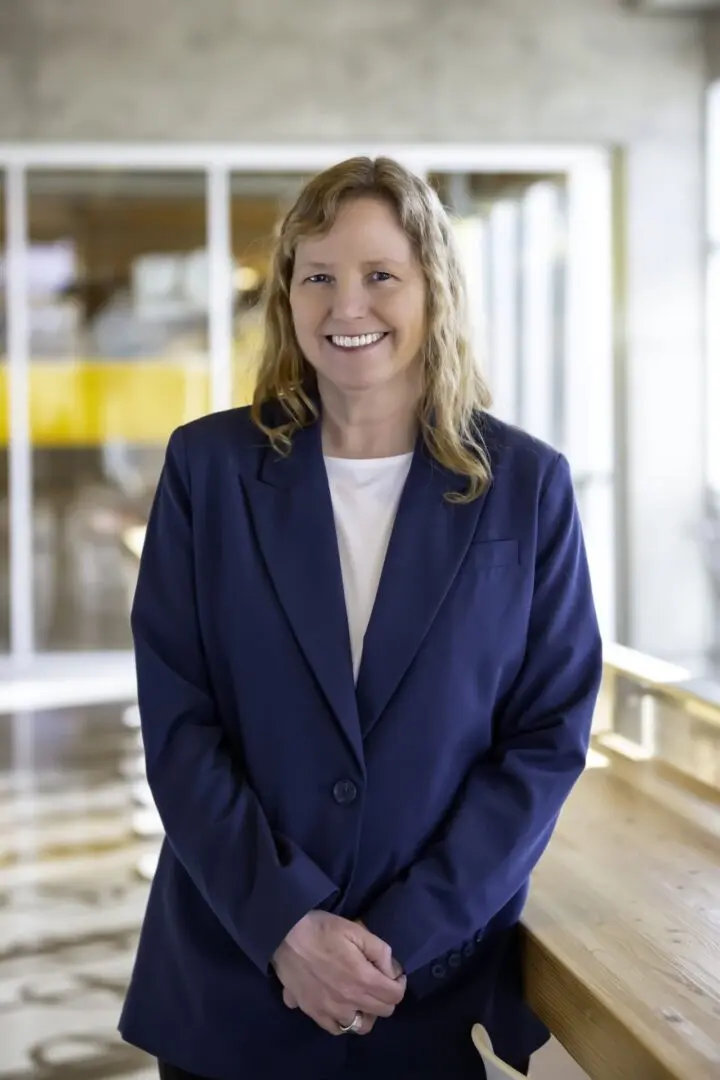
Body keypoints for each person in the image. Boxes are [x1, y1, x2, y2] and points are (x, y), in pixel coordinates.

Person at [119, 156, 603, 1080]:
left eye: (381, 275)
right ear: (288, 298)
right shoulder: (207, 470)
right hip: (233, 982)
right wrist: (286, 926)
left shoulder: (527, 486)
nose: (348, 308)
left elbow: (546, 737)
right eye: (319, 277)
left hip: (425, 991)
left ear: (434, 290)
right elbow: (180, 726)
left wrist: (398, 941)